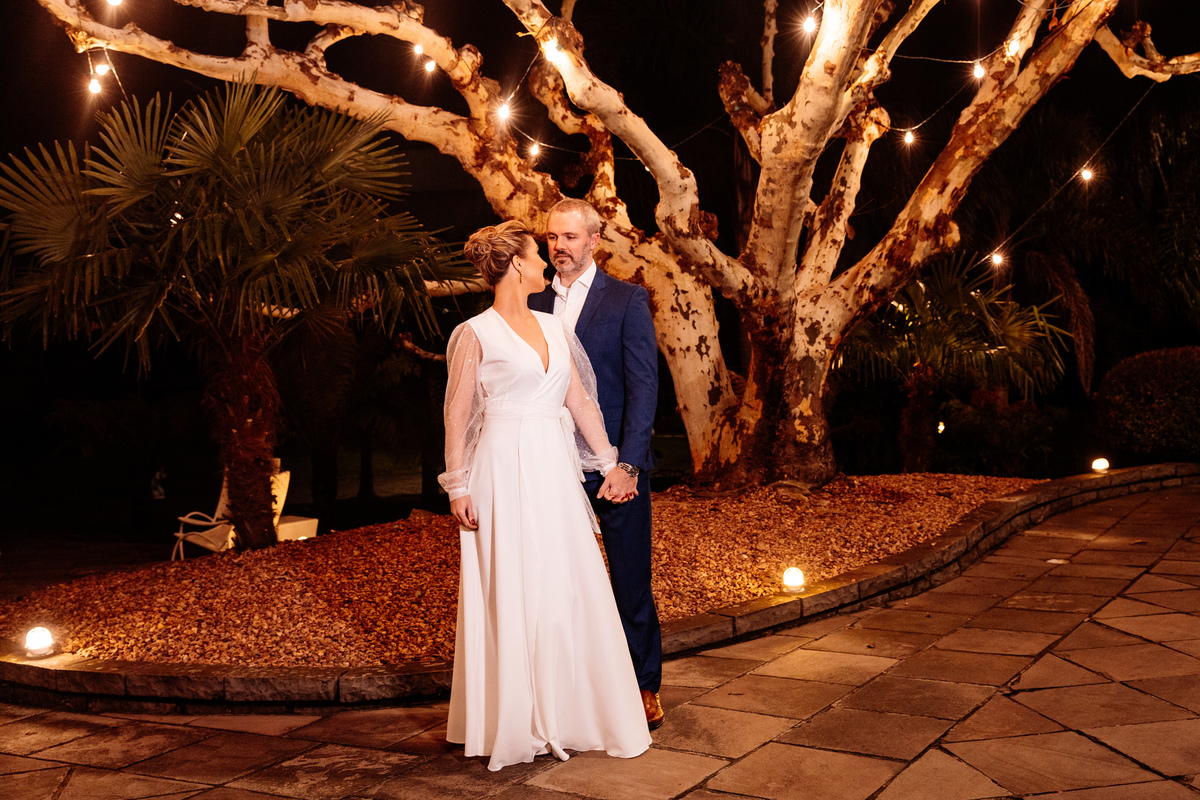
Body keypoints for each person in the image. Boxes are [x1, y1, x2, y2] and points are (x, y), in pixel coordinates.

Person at [440, 221, 652, 772]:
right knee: (512, 587)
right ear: (515, 265)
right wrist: (457, 484)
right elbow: (458, 415)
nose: (544, 262)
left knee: (564, 585)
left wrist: (611, 463)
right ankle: (512, 717)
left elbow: (580, 401)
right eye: (536, 254)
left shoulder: (554, 326)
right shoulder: (474, 333)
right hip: (499, 468)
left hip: (554, 472)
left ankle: (571, 709)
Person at [529, 198, 664, 729]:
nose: (558, 247)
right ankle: (576, 688)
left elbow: (643, 387)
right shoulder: (531, 302)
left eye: (569, 237)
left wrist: (627, 464)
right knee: (563, 583)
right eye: (552, 238)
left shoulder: (627, 300)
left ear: (594, 241)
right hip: (551, 468)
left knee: (630, 581)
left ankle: (643, 686)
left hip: (613, 471)